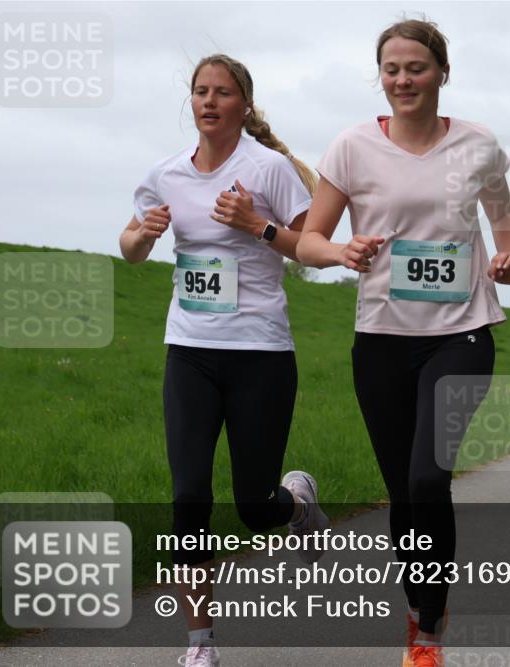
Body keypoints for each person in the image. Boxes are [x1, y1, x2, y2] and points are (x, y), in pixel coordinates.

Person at [296, 19, 510, 667]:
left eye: (416, 68)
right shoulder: (352, 147)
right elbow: (310, 240)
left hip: (462, 334)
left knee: (429, 477)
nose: (403, 80)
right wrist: (343, 251)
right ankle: (422, 608)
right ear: (381, 77)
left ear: (442, 73)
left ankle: (427, 633)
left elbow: (505, 223)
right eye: (391, 69)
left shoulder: (479, 145)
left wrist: (508, 260)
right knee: (404, 491)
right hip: (381, 339)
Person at [120, 54, 329, 667]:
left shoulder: (269, 169)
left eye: (222, 92)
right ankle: (200, 645)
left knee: (255, 509)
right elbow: (129, 246)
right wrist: (144, 234)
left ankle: (297, 503)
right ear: (191, 102)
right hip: (190, 350)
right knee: (189, 498)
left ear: (245, 104)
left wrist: (256, 224)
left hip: (260, 352)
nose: (209, 101)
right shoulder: (166, 174)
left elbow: (311, 249)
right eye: (200, 91)